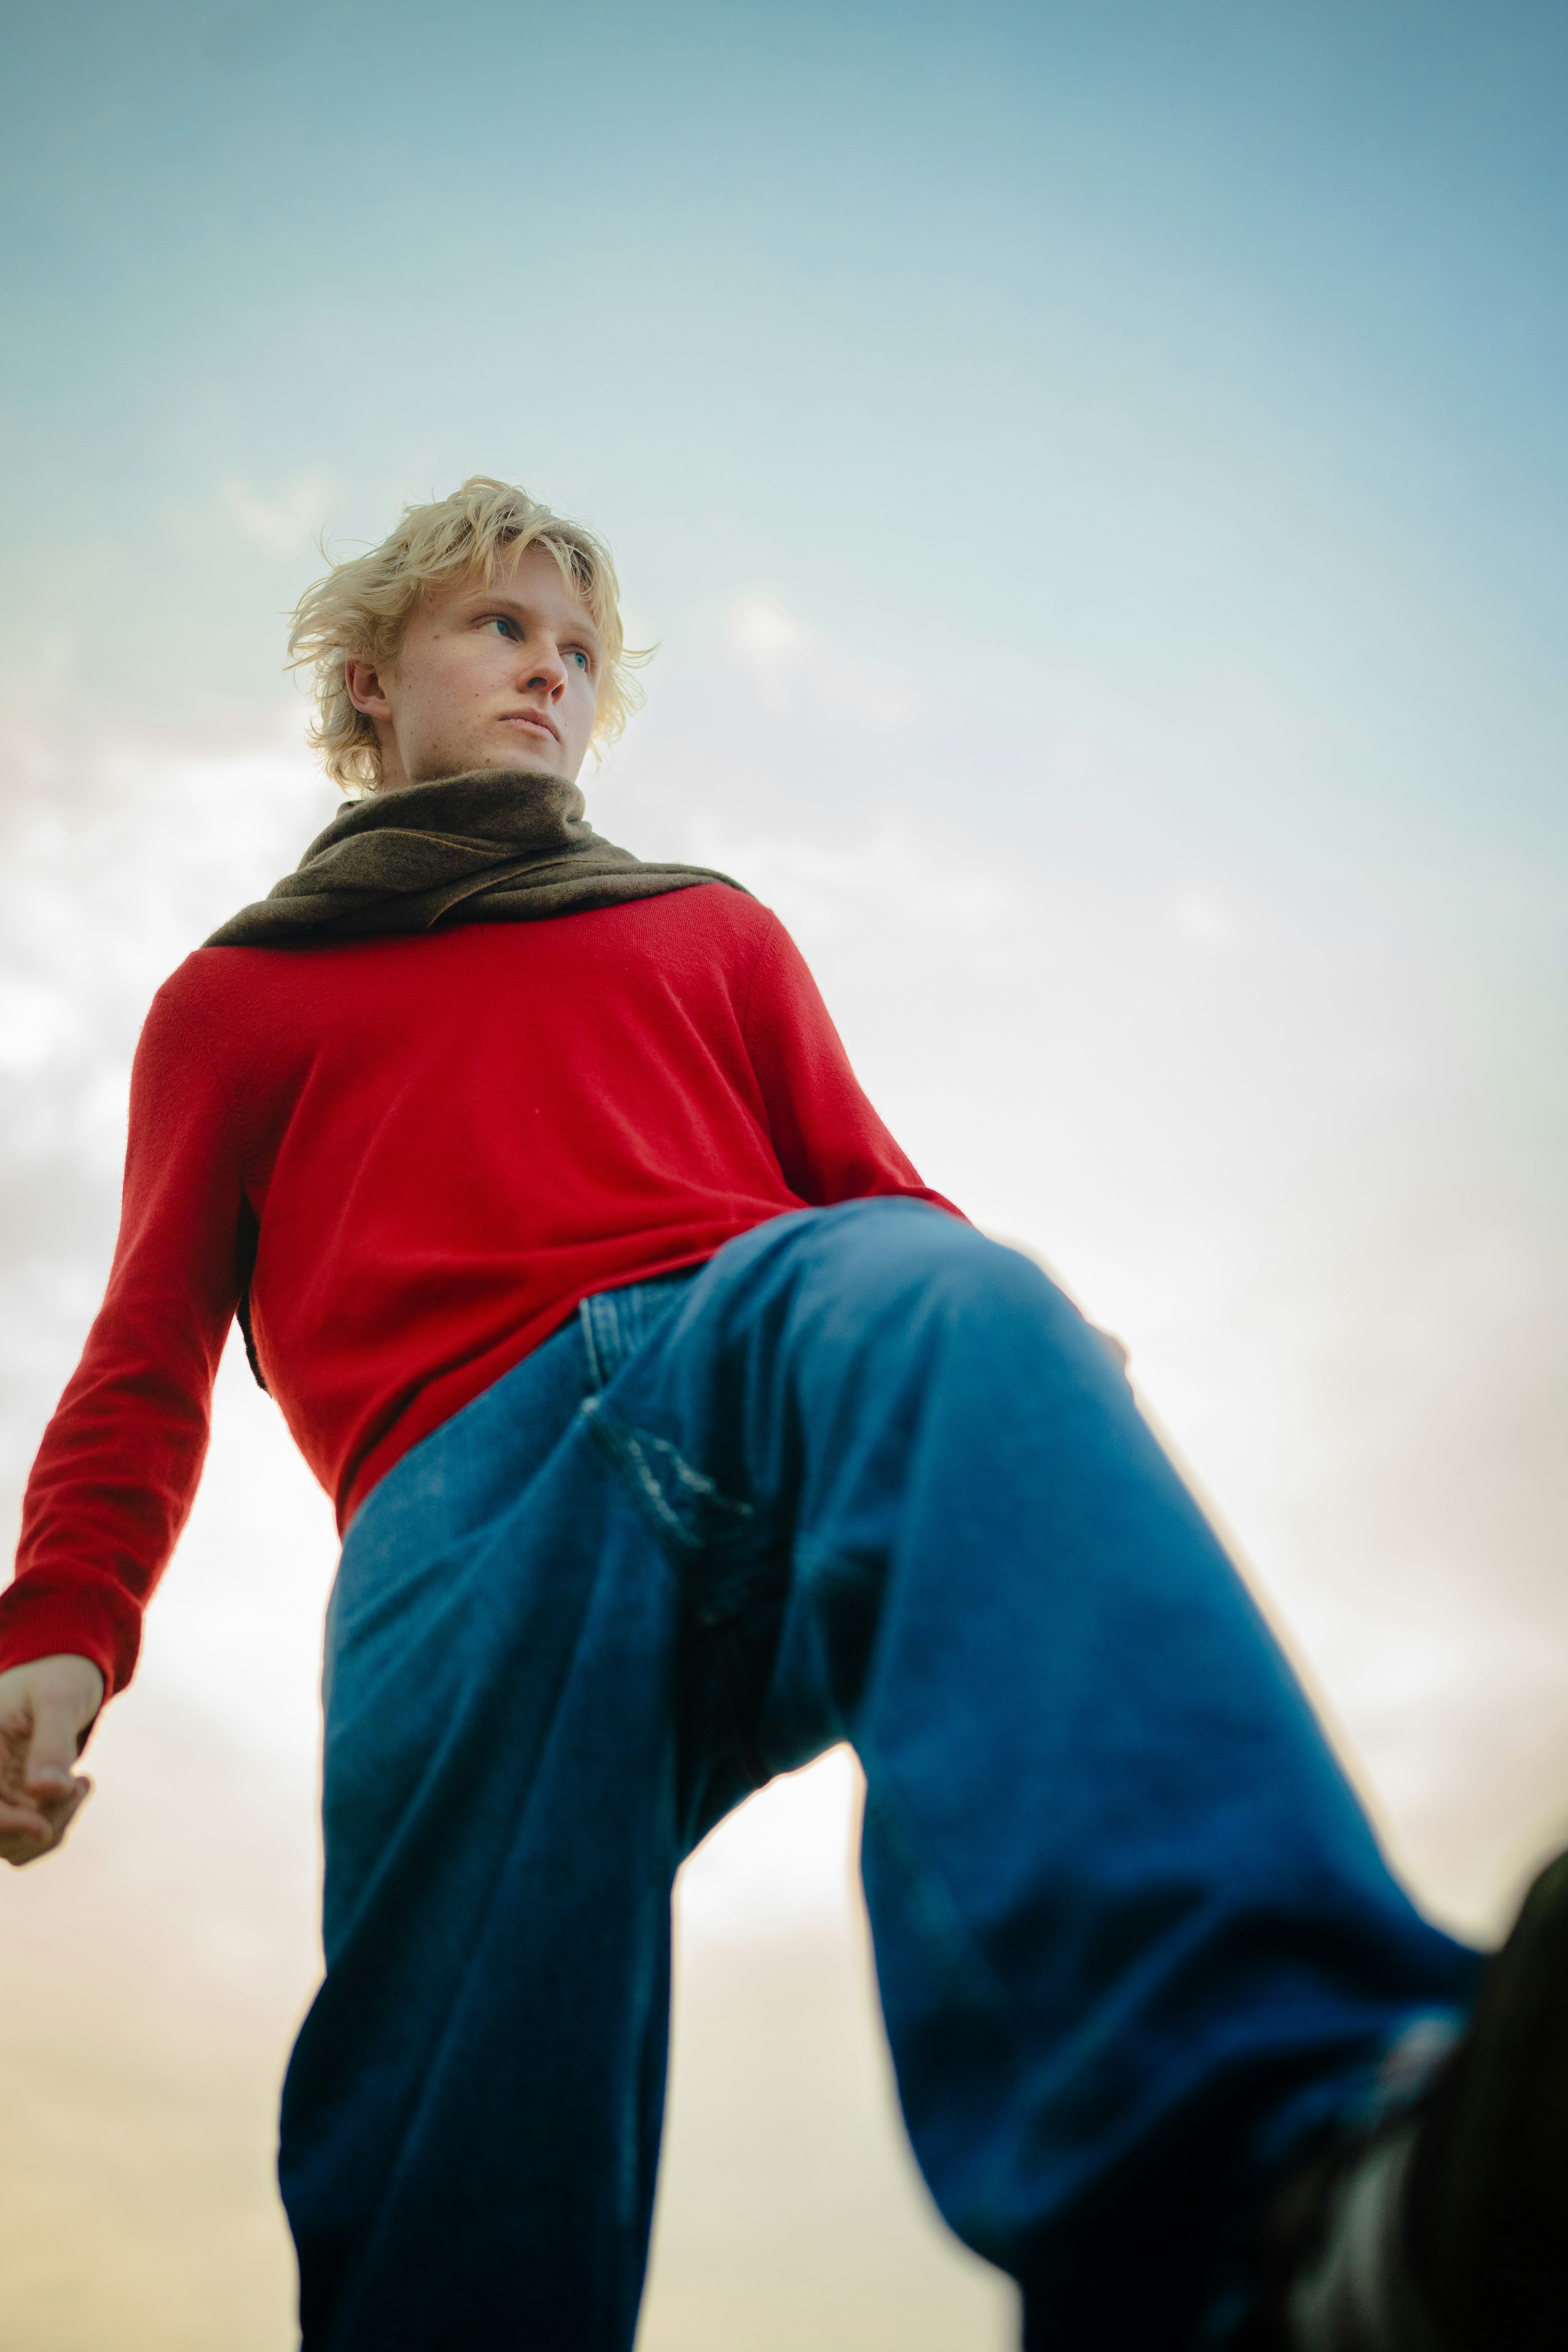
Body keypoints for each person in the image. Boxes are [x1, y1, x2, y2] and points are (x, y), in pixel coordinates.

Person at [0, 477, 1560, 2351]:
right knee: (456, 2175)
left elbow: (878, 1198)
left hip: (751, 1348)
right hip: (458, 1507)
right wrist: (64, 1633)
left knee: (944, 1295)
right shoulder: (236, 1001)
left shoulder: (703, 929)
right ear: (367, 680)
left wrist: (1021, 1384)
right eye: (502, 630)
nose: (551, 674)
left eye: (579, 653)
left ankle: (1282, 2203)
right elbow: (145, 1356)